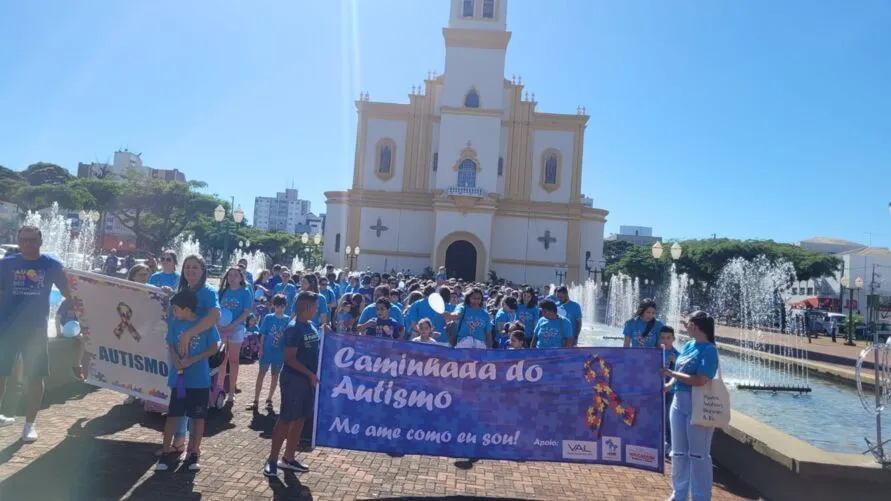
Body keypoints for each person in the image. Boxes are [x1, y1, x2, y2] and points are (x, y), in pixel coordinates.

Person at [0, 226, 71, 441]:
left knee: (35, 375)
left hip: (36, 330)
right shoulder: (6, 264)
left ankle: (29, 425)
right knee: (1, 374)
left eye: (32, 240)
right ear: (19, 241)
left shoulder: (53, 265)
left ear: (41, 241)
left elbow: (70, 293)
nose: (28, 244)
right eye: (24, 240)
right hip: (7, 328)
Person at [154, 289, 221, 472]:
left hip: (199, 381)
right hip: (179, 381)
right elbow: (171, 343)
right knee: (173, 414)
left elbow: (213, 348)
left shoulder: (205, 324)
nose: (173, 312)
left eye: (175, 309)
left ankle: (194, 452)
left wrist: (191, 360)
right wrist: (176, 359)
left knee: (198, 417)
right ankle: (166, 452)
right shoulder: (175, 322)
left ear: (186, 308)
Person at [661, 311, 719, 501]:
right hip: (678, 403)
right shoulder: (688, 345)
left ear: (695, 326)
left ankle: (701, 497)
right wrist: (669, 384)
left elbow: (700, 379)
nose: (686, 327)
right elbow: (679, 372)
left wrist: (671, 374)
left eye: (688, 324)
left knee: (698, 455)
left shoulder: (709, 350)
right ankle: (679, 494)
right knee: (678, 453)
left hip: (698, 404)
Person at [263, 291, 321, 477]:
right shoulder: (293, 328)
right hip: (294, 379)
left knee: (301, 418)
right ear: (307, 308)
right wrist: (309, 374)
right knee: (286, 419)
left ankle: (288, 458)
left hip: (307, 380)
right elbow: (290, 359)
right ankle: (272, 459)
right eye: (315, 306)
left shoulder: (311, 326)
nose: (317, 309)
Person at [173, 255, 221, 449]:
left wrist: (189, 334)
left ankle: (194, 447)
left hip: (200, 354)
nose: (190, 271)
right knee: (180, 398)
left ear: (203, 270)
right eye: (187, 267)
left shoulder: (208, 291)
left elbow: (215, 315)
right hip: (182, 354)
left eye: (195, 267)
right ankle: (179, 441)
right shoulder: (184, 290)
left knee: (195, 401)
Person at [218, 267, 254, 404]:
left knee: (233, 360)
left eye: (235, 275)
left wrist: (232, 325)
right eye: (230, 275)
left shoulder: (245, 292)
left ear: (241, 278)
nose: (232, 278)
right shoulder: (222, 291)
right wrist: (219, 325)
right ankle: (219, 388)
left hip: (236, 328)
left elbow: (246, 312)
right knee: (221, 359)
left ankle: (231, 391)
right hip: (221, 328)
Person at [251, 294, 289, 411]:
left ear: (285, 306)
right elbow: (263, 334)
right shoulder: (268, 317)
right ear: (273, 306)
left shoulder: (288, 320)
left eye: (282, 306)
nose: (279, 308)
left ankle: (269, 399)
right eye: (277, 306)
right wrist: (261, 349)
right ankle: (256, 400)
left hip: (279, 352)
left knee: (275, 375)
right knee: (261, 373)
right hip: (267, 350)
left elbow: (288, 337)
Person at [659, 325, 679, 457]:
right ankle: (661, 442)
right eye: (663, 337)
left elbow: (679, 373)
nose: (665, 340)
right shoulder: (656, 352)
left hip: (670, 392)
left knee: (668, 418)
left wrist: (675, 361)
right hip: (657, 390)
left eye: (668, 338)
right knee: (659, 417)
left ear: (673, 339)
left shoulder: (677, 355)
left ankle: (671, 444)